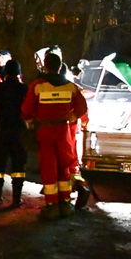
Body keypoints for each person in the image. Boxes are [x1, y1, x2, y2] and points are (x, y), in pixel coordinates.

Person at [21, 51, 88, 220]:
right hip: (64, 131)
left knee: (49, 165)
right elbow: (82, 108)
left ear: (45, 66)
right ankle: (65, 202)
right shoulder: (70, 87)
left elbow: (26, 109)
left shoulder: (38, 85)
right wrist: (71, 117)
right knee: (64, 165)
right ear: (60, 67)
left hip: (45, 130)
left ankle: (52, 204)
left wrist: (30, 121)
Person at [0, 59, 28, 207]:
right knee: (18, 167)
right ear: (19, 73)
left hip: (0, 130)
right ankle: (16, 199)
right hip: (18, 132)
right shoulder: (24, 89)